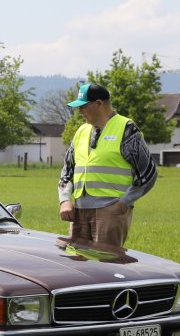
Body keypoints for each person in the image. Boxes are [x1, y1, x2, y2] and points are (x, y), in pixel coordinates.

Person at [58, 81, 155, 248]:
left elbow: (148, 172)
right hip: (79, 212)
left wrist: (123, 204)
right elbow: (67, 171)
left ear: (98, 104)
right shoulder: (81, 131)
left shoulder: (126, 129)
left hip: (110, 211)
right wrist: (65, 200)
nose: (79, 111)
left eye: (83, 106)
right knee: (76, 261)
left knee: (106, 261)